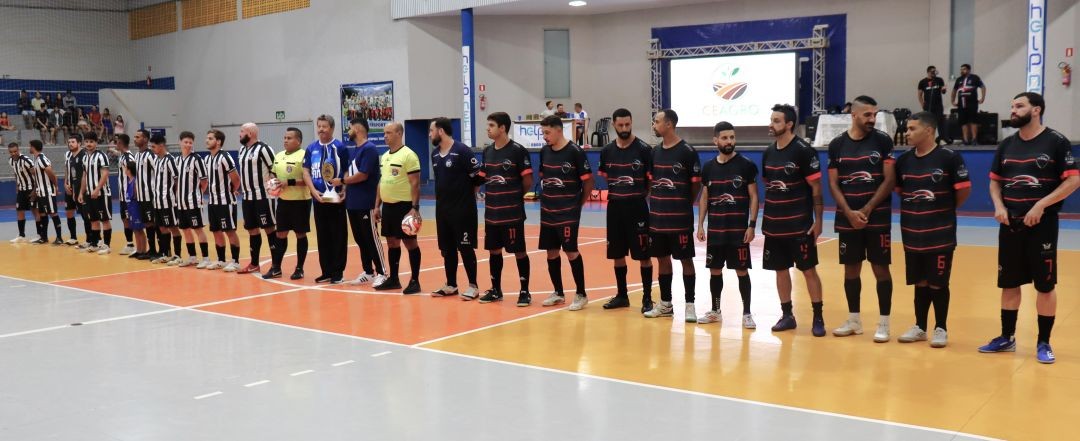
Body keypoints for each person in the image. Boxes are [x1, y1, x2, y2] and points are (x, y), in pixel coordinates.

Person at [979, 92, 1079, 364]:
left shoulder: (1056, 142)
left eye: (1019, 106)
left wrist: (1041, 206)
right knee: (1009, 283)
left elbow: (1072, 181)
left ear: (1036, 110)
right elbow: (995, 182)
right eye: (1012, 105)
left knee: (1045, 286)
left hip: (1042, 225)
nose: (1013, 110)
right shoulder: (1007, 144)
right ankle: (1007, 337)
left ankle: (1043, 342)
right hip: (1010, 224)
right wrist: (998, 206)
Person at [894, 112, 971, 348]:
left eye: (912, 129)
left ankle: (941, 328)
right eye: (907, 129)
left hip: (940, 235)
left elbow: (963, 190)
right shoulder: (904, 161)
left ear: (929, 130)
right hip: (912, 234)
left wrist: (943, 210)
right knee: (920, 283)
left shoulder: (949, 157)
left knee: (938, 283)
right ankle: (919, 327)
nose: (907, 133)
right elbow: (900, 191)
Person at [827, 95, 896, 342]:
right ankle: (854, 320)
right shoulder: (837, 145)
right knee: (851, 270)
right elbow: (833, 184)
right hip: (848, 219)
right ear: (853, 115)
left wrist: (866, 209)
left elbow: (889, 180)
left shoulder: (883, 141)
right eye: (867, 114)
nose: (872, 119)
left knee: (880, 270)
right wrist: (849, 213)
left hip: (876, 219)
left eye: (875, 114)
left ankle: (884, 323)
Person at [761, 104, 827, 336]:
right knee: (780, 270)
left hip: (799, 225)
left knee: (808, 270)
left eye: (776, 120)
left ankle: (818, 318)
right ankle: (787, 315)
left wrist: (818, 221)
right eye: (771, 119)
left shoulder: (803, 151)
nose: (772, 124)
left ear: (789, 124)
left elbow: (816, 188)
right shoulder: (768, 153)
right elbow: (769, 185)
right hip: (773, 225)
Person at [695, 121, 758, 327]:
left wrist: (751, 225)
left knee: (742, 271)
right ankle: (715, 310)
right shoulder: (708, 168)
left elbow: (754, 197)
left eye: (732, 137)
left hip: (738, 231)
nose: (729, 141)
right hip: (716, 230)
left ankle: (747, 313)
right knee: (715, 270)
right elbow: (704, 197)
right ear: (716, 140)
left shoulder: (746, 165)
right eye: (724, 138)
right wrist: (700, 224)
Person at [642, 109, 701, 321]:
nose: (654, 125)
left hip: (680, 220)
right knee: (662, 260)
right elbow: (651, 182)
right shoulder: (655, 152)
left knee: (686, 260)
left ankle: (690, 304)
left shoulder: (687, 151)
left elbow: (696, 186)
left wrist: (683, 205)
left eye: (657, 121)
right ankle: (666, 303)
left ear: (669, 124)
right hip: (657, 220)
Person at [596, 108, 654, 312]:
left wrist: (636, 196)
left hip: (637, 207)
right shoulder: (607, 151)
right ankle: (622, 295)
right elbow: (606, 177)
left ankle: (647, 298)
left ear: (631, 123)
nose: (624, 128)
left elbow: (650, 183)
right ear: (613, 125)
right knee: (617, 253)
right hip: (614, 208)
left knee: (644, 255)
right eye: (620, 125)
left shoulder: (644, 150)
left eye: (627, 125)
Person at [476, 112, 533, 305]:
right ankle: (496, 290)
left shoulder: (518, 151)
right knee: (493, 251)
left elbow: (527, 181)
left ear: (502, 128)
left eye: (491, 125)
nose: (487, 129)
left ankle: (524, 291)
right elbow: (482, 176)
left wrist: (514, 196)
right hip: (492, 213)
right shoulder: (487, 151)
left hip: (512, 213)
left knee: (519, 252)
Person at [537, 115, 593, 310]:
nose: (544, 136)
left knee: (570, 251)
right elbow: (544, 178)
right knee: (551, 252)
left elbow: (588, 182)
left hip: (568, 212)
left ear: (559, 130)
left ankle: (581, 294)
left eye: (547, 132)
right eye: (542, 132)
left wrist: (578, 204)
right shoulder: (544, 152)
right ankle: (558, 293)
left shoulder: (575, 152)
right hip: (548, 212)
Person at [429, 117, 483, 299]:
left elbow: (479, 176)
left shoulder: (462, 151)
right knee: (447, 249)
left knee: (466, 248)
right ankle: (451, 284)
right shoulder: (435, 154)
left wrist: (469, 195)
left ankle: (473, 286)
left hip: (463, 210)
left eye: (431, 131)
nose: (430, 135)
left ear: (441, 131)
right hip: (442, 210)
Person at [331, 119, 386, 286]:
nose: (348, 131)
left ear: (357, 129)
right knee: (360, 239)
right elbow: (351, 172)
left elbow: (363, 175)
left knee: (371, 238)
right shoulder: (354, 149)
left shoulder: (369, 149)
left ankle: (382, 272)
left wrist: (342, 181)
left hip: (366, 202)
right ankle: (368, 271)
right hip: (353, 202)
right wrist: (345, 190)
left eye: (350, 128)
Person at [373, 122, 422, 294]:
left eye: (389, 133)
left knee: (410, 243)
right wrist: (377, 205)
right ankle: (394, 279)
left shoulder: (409, 155)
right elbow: (381, 182)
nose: (385, 136)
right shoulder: (385, 156)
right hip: (388, 207)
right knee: (392, 242)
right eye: (384, 133)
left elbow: (415, 183)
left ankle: (415, 281)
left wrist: (415, 208)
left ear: (399, 134)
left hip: (405, 207)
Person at [303, 115, 349, 284]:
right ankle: (326, 271)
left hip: (335, 199)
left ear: (332, 128)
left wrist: (344, 188)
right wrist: (313, 191)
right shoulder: (311, 148)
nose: (321, 129)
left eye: (324, 126)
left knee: (338, 236)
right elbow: (306, 171)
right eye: (319, 126)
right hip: (318, 199)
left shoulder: (340, 148)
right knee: (323, 236)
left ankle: (338, 272)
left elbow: (345, 171)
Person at [264, 127, 312, 280]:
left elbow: (308, 180)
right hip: (283, 201)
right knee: (280, 233)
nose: (285, 140)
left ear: (298, 140)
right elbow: (274, 173)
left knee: (300, 234)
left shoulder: (304, 155)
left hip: (300, 202)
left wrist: (288, 182)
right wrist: (272, 182)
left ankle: (299, 268)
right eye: (284, 137)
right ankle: (276, 268)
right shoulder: (278, 155)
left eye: (289, 138)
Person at [236, 122, 279, 274]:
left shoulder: (264, 149)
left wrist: (274, 191)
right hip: (247, 198)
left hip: (264, 197)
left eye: (242, 131)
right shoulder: (242, 150)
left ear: (251, 133)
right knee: (252, 230)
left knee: (269, 228)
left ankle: (276, 265)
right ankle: (254, 263)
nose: (240, 134)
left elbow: (274, 170)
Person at [204, 129, 243, 271]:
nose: (207, 140)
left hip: (225, 201)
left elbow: (236, 179)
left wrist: (232, 190)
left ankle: (235, 261)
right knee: (216, 231)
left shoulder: (225, 157)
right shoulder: (207, 158)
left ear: (218, 141)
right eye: (207, 138)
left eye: (210, 138)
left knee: (229, 231)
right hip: (213, 202)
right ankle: (221, 260)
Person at [175, 131, 210, 268]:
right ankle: (192, 257)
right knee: (185, 230)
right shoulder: (178, 160)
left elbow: (204, 181)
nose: (188, 144)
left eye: (190, 142)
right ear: (180, 142)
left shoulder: (197, 159)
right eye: (186, 142)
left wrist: (198, 193)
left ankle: (206, 258)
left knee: (198, 229)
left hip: (193, 201)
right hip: (181, 203)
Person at [149, 134, 181, 264]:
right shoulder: (156, 160)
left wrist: (177, 197)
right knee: (161, 227)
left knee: (173, 227)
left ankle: (177, 255)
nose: (152, 148)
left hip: (168, 200)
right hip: (157, 201)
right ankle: (166, 253)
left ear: (161, 145)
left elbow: (177, 179)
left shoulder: (170, 160)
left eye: (154, 146)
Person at [79, 131, 112, 254]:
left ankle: (107, 245)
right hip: (89, 193)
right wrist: (81, 193)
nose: (88, 144)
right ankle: (94, 243)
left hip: (101, 193)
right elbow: (84, 176)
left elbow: (105, 174)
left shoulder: (101, 156)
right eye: (86, 141)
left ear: (96, 143)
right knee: (93, 220)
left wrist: (97, 189)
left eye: (91, 142)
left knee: (104, 219)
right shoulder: (85, 157)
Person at [28, 140, 64, 244]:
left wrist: (55, 187)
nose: (29, 148)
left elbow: (50, 172)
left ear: (33, 147)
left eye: (30, 146)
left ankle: (59, 238)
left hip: (47, 191)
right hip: (41, 192)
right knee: (42, 214)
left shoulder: (42, 159)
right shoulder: (37, 159)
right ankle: (44, 237)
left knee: (53, 213)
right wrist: (35, 191)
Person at [133, 129, 160, 260]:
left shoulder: (151, 155)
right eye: (134, 137)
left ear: (145, 139)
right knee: (148, 223)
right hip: (142, 196)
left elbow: (159, 173)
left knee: (153, 222)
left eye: (138, 137)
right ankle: (152, 249)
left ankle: (160, 250)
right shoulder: (137, 155)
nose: (135, 139)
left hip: (151, 195)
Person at [111, 134, 137, 255]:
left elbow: (134, 176)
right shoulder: (123, 156)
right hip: (123, 195)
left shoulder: (129, 158)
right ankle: (129, 243)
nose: (116, 145)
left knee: (130, 219)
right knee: (124, 218)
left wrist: (131, 193)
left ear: (120, 143)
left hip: (128, 195)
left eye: (117, 143)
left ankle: (132, 244)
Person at [7, 142, 37, 243]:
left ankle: (40, 235)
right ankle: (21, 235)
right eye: (11, 152)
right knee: (19, 211)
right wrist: (17, 185)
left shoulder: (26, 160)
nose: (13, 153)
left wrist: (35, 190)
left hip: (31, 189)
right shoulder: (11, 161)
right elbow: (16, 173)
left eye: (15, 151)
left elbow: (36, 175)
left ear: (18, 150)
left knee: (34, 211)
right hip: (21, 189)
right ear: (9, 152)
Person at [951, 64, 986, 146]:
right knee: (963, 122)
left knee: (973, 121)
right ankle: (965, 140)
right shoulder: (959, 79)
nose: (962, 71)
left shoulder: (975, 78)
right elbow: (954, 90)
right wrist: (952, 100)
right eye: (961, 69)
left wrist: (982, 98)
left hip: (972, 103)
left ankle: (974, 139)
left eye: (964, 69)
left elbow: (983, 87)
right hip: (961, 104)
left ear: (969, 70)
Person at [62, 133, 86, 246]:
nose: (70, 144)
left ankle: (92, 239)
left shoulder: (84, 155)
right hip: (70, 188)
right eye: (69, 142)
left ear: (79, 143)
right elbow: (67, 169)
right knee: (69, 212)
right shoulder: (68, 155)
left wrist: (81, 190)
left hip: (80, 188)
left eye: (73, 142)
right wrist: (65, 182)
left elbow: (84, 174)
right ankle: (73, 237)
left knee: (85, 214)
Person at [123, 162, 148, 257]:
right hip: (131, 208)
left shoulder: (135, 181)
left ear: (129, 170)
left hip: (136, 208)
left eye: (126, 168)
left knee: (140, 230)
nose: (124, 170)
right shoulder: (129, 181)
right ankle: (138, 250)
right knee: (135, 230)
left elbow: (137, 196)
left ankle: (143, 250)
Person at [917, 66, 947, 142]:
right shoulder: (923, 82)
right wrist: (922, 104)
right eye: (932, 71)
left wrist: (943, 90)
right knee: (928, 122)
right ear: (928, 72)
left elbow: (943, 91)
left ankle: (941, 137)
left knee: (940, 121)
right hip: (928, 105)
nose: (933, 73)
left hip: (938, 105)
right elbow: (920, 94)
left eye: (934, 71)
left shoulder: (939, 80)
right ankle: (929, 137)